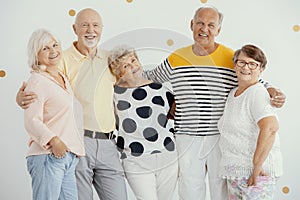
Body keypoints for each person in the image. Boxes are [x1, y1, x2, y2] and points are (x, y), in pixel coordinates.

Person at [143, 6, 286, 200]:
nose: (205, 29)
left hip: (221, 137)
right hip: (187, 136)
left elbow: (253, 79)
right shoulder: (176, 58)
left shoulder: (230, 57)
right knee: (189, 188)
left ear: (218, 30)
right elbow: (151, 77)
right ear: (192, 25)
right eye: (200, 23)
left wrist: (272, 91)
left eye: (211, 25)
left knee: (221, 190)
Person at [17, 8, 127, 200]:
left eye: (95, 25)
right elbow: (40, 79)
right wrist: (21, 97)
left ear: (102, 29)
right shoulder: (61, 59)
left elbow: (132, 83)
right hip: (77, 141)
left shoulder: (111, 59)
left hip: (109, 142)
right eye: (84, 25)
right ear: (74, 28)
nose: (90, 30)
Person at [108, 45, 178, 200]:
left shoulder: (160, 88)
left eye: (133, 60)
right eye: (126, 65)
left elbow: (177, 115)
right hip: (135, 160)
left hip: (168, 156)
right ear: (118, 73)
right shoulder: (114, 95)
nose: (133, 66)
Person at [24, 28, 85, 200]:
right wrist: (54, 140)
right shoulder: (37, 81)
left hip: (68, 156)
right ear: (36, 54)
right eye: (45, 48)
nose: (53, 51)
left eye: (55, 45)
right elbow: (31, 121)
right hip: (47, 155)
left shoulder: (62, 77)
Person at [218, 44, 283, 199]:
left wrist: (256, 167)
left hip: (257, 173)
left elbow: (270, 128)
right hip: (236, 173)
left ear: (261, 70)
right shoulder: (234, 94)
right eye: (242, 62)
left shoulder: (257, 92)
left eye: (253, 64)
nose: (246, 67)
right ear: (235, 66)